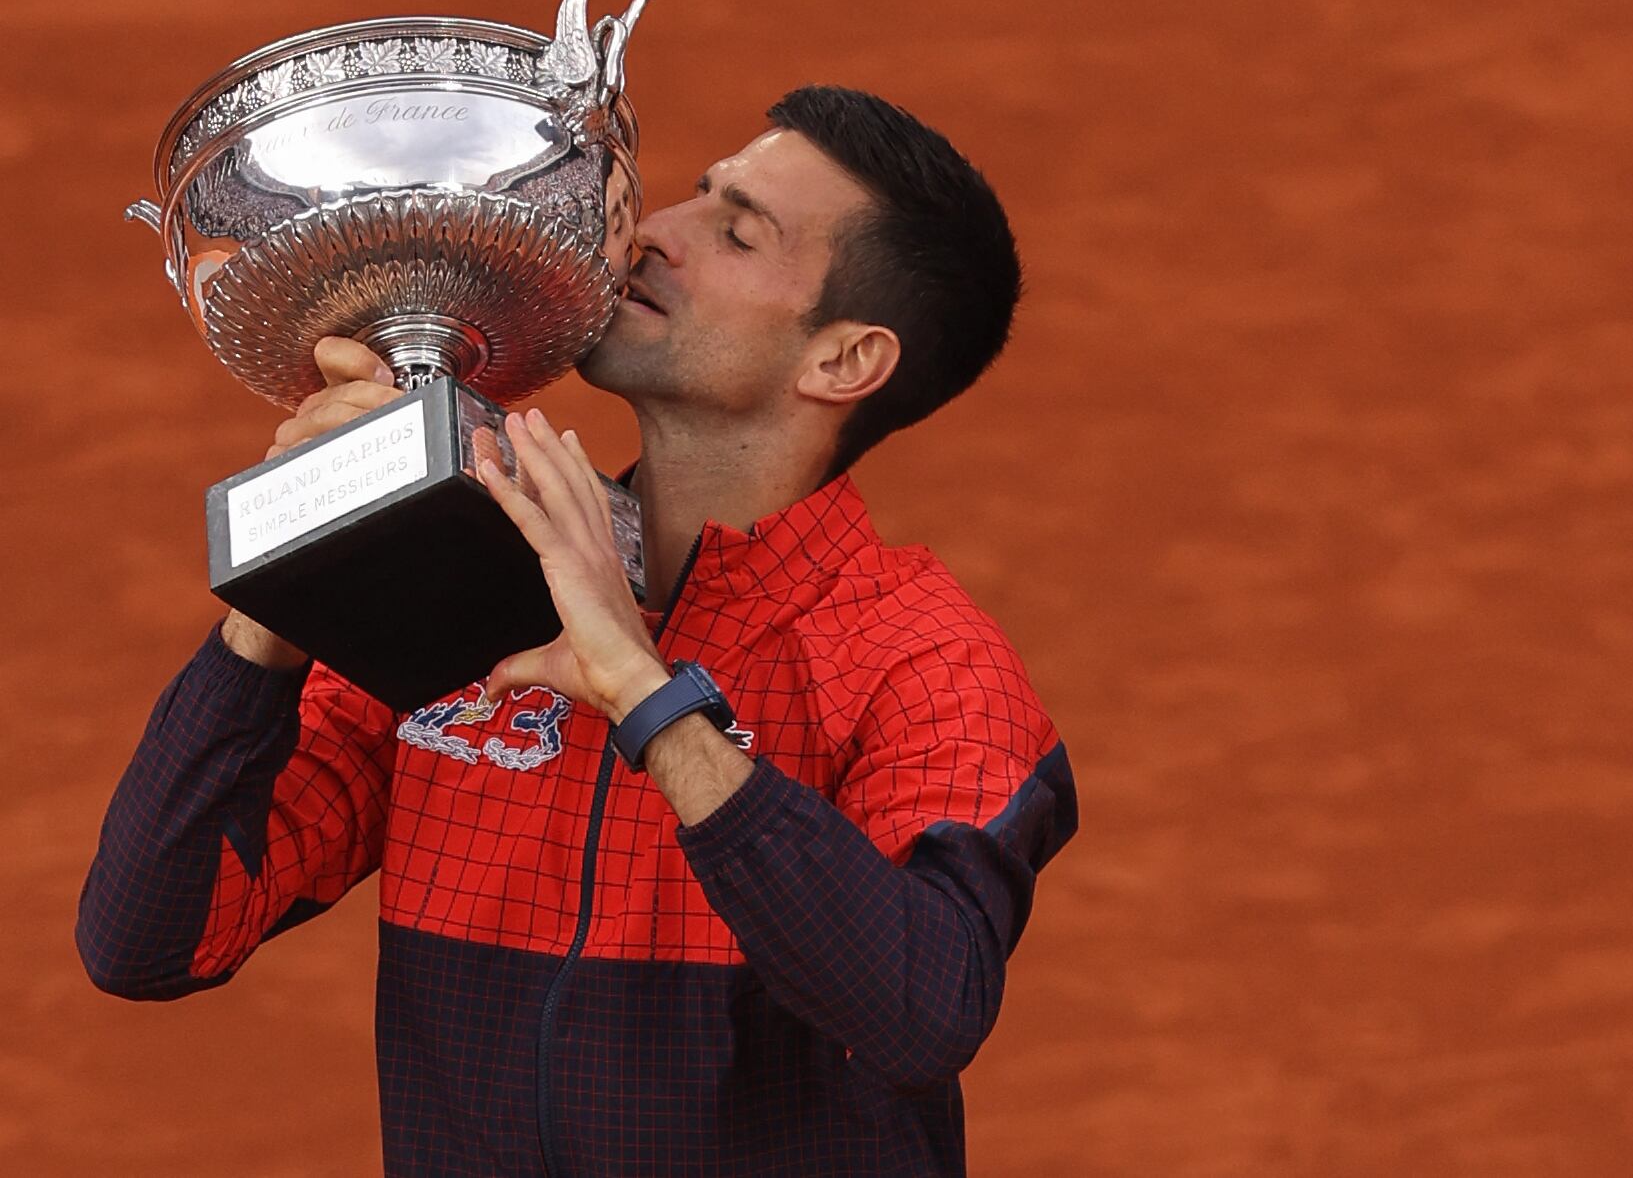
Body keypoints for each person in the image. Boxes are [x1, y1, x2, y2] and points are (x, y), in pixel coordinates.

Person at [78, 85, 1077, 1177]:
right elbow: (150, 939)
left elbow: (922, 1013)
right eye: (696, 195)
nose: (652, 232)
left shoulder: (925, 663)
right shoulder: (469, 581)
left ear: (843, 362)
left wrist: (650, 701)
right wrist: (294, 584)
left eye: (736, 232)